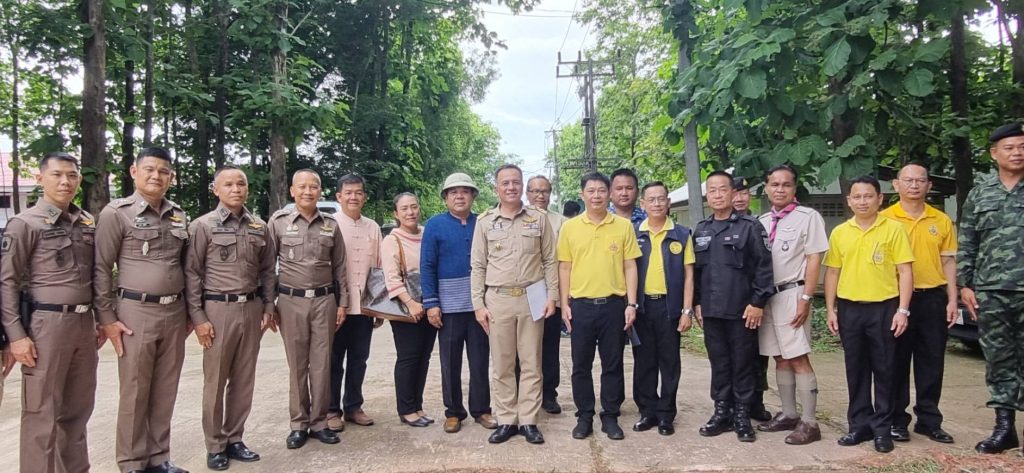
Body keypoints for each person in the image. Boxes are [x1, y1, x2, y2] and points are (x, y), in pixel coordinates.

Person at [94, 146, 191, 473]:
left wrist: (190, 314)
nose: (156, 176)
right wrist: (107, 318)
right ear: (134, 172)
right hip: (135, 312)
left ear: (171, 177)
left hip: (174, 312)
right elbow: (101, 268)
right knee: (135, 390)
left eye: (164, 171)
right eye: (149, 169)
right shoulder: (116, 213)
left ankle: (159, 457)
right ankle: (132, 462)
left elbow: (186, 266)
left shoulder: (178, 215)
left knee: (165, 388)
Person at [2, 152, 100, 472]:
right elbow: (6, 281)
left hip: (83, 324)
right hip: (46, 326)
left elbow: (96, 276)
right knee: (41, 413)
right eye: (57, 175)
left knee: (77, 410)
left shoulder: (86, 222)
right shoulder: (24, 223)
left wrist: (100, 319)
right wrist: (16, 336)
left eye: (71, 175)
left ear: (79, 180)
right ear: (40, 178)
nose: (65, 181)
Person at [184, 165, 278, 470]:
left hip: (251, 308)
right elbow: (192, 273)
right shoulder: (202, 226)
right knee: (216, 381)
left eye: (241, 184)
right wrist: (198, 317)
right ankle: (215, 445)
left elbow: (268, 271)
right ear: (216, 189)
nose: (236, 189)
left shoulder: (259, 227)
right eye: (228, 184)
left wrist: (268, 307)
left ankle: (235, 438)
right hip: (217, 310)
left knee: (243, 379)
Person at [824, 175, 914, 454]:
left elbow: (905, 271)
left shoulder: (894, 229)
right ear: (849, 201)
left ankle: (882, 429)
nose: (862, 201)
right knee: (856, 369)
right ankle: (859, 425)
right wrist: (830, 309)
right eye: (857, 197)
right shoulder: (840, 232)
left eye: (868, 196)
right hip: (850, 309)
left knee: (885, 369)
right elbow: (833, 272)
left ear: (879, 199)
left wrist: (902, 310)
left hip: (884, 308)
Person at [471, 165, 559, 445]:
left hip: (532, 297)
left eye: (516, 182)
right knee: (503, 363)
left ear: (522, 186)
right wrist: (478, 304)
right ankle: (507, 419)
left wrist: (552, 297)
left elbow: (550, 260)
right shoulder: (485, 222)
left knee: (532, 362)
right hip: (498, 299)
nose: (511, 187)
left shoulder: (538, 218)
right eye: (505, 183)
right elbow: (478, 265)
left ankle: (529, 421)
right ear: (496, 188)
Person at [558, 171, 641, 441]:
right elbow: (565, 267)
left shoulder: (623, 226)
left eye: (601, 191)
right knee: (581, 365)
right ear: (582, 194)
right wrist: (564, 303)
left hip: (614, 305)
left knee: (613, 364)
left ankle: (610, 415)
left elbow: (630, 266)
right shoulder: (570, 228)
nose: (596, 196)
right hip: (580, 306)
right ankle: (584, 416)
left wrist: (631, 303)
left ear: (609, 194)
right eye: (591, 191)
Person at [269, 169, 348, 449]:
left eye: (313, 186)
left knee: (322, 363)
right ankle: (298, 424)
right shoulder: (278, 222)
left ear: (320, 191)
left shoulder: (331, 224)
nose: (307, 191)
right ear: (292, 191)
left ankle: (319, 422)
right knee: (297, 365)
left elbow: (340, 266)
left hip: (325, 301)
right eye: (302, 187)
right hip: (290, 301)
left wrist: (343, 303)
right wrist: (269, 304)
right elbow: (267, 267)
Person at [693, 170, 774, 443]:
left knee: (743, 364)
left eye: (723, 189)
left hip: (743, 311)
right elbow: (697, 273)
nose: (717, 195)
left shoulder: (750, 227)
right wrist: (697, 303)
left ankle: (742, 416)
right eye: (712, 190)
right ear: (707, 195)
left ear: (732, 193)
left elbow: (764, 268)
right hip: (712, 311)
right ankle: (722, 413)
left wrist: (757, 303)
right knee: (719, 363)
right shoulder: (701, 229)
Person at [880, 163, 958, 445]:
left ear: (929, 185)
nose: (914, 185)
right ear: (896, 185)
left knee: (931, 361)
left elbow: (948, 261)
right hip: (896, 300)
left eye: (920, 180)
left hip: (933, 298)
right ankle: (896, 420)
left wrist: (952, 298)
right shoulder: (884, 219)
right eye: (908, 180)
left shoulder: (941, 220)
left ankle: (929, 420)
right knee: (895, 361)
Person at [959, 122, 1024, 455]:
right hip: (991, 290)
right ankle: (1004, 428)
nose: (1017, 153)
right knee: (998, 359)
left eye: (1022, 147)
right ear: (994, 153)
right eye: (1010, 148)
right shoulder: (980, 193)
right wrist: (965, 284)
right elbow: (968, 240)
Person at [755, 165, 829, 445]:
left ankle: (810, 422)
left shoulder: (808, 218)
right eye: (774, 184)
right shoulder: (762, 221)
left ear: (794, 188)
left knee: (798, 356)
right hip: (768, 296)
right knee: (780, 356)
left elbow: (814, 259)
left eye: (786, 184)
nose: (780, 189)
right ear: (766, 188)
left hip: (793, 293)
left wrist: (806, 298)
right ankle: (788, 413)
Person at [421, 172, 496, 433]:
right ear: (445, 198)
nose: (460, 196)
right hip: (448, 307)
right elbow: (427, 265)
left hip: (479, 306)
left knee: (480, 360)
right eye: (453, 192)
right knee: (450, 362)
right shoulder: (435, 225)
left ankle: (482, 409)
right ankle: (453, 412)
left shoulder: (483, 223)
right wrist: (431, 303)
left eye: (465, 191)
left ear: (473, 196)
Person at [631, 181, 695, 436]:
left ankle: (667, 414)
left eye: (661, 199)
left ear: (668, 202)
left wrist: (687, 310)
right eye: (651, 199)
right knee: (644, 362)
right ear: (643, 204)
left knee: (669, 363)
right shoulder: (634, 233)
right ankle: (648, 412)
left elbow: (689, 275)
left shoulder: (681, 234)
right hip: (642, 307)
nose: (657, 204)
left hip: (670, 308)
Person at [327, 173, 382, 431]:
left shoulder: (373, 227)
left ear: (365, 197)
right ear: (339, 196)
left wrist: (379, 306)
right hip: (336, 305)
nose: (353, 197)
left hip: (364, 306)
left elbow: (378, 268)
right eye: (348, 192)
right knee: (333, 359)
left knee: (359, 358)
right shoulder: (329, 224)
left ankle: (353, 406)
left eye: (358, 192)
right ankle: (330, 409)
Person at [381, 192, 437, 427]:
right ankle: (406, 409)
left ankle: (417, 405)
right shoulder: (392, 240)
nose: (410, 212)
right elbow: (391, 277)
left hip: (429, 303)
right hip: (406, 308)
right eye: (404, 209)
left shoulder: (427, 233)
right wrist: (410, 303)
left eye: (414, 207)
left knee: (424, 356)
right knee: (409, 356)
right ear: (396, 214)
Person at [731, 175, 772, 423]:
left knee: (757, 356)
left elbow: (764, 267)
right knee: (731, 358)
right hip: (728, 305)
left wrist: (758, 301)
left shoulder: (757, 225)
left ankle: (755, 402)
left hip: (752, 303)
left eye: (743, 193)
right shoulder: (715, 226)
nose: (739, 198)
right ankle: (732, 406)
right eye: (735, 193)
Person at [526, 175, 568, 414]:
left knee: (550, 346)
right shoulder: (519, 218)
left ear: (550, 194)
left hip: (551, 292)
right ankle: (525, 393)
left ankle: (549, 394)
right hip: (524, 292)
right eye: (534, 191)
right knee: (524, 347)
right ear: (527, 194)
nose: (539, 195)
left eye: (544, 191)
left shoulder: (562, 222)